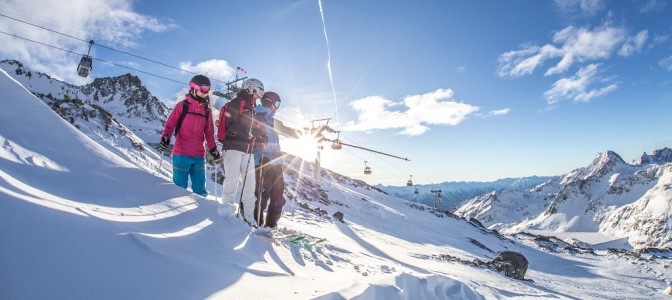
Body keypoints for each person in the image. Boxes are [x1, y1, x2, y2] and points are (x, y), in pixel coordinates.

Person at [252, 91, 324, 228]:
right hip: (262, 161)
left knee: (278, 198)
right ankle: (256, 224)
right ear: (268, 102)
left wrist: (313, 133)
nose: (277, 107)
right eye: (277, 104)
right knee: (262, 196)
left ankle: (271, 226)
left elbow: (290, 131)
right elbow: (249, 135)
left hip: (277, 163)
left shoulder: (274, 122)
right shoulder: (256, 118)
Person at [159, 75, 220, 197]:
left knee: (200, 189)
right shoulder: (183, 106)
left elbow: (209, 133)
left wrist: (213, 149)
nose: (206, 92)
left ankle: (200, 212)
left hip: (198, 154)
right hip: (181, 153)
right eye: (203, 89)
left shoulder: (207, 111)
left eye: (208, 89)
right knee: (179, 188)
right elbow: (170, 124)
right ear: (193, 88)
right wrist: (165, 137)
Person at [217, 78, 265, 225]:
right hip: (232, 147)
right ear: (251, 89)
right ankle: (226, 212)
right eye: (258, 92)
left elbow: (251, 130)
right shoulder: (237, 102)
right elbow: (231, 125)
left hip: (247, 149)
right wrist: (251, 132)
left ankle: (249, 217)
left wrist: (257, 134)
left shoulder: (251, 108)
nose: (259, 96)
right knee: (232, 179)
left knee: (249, 184)